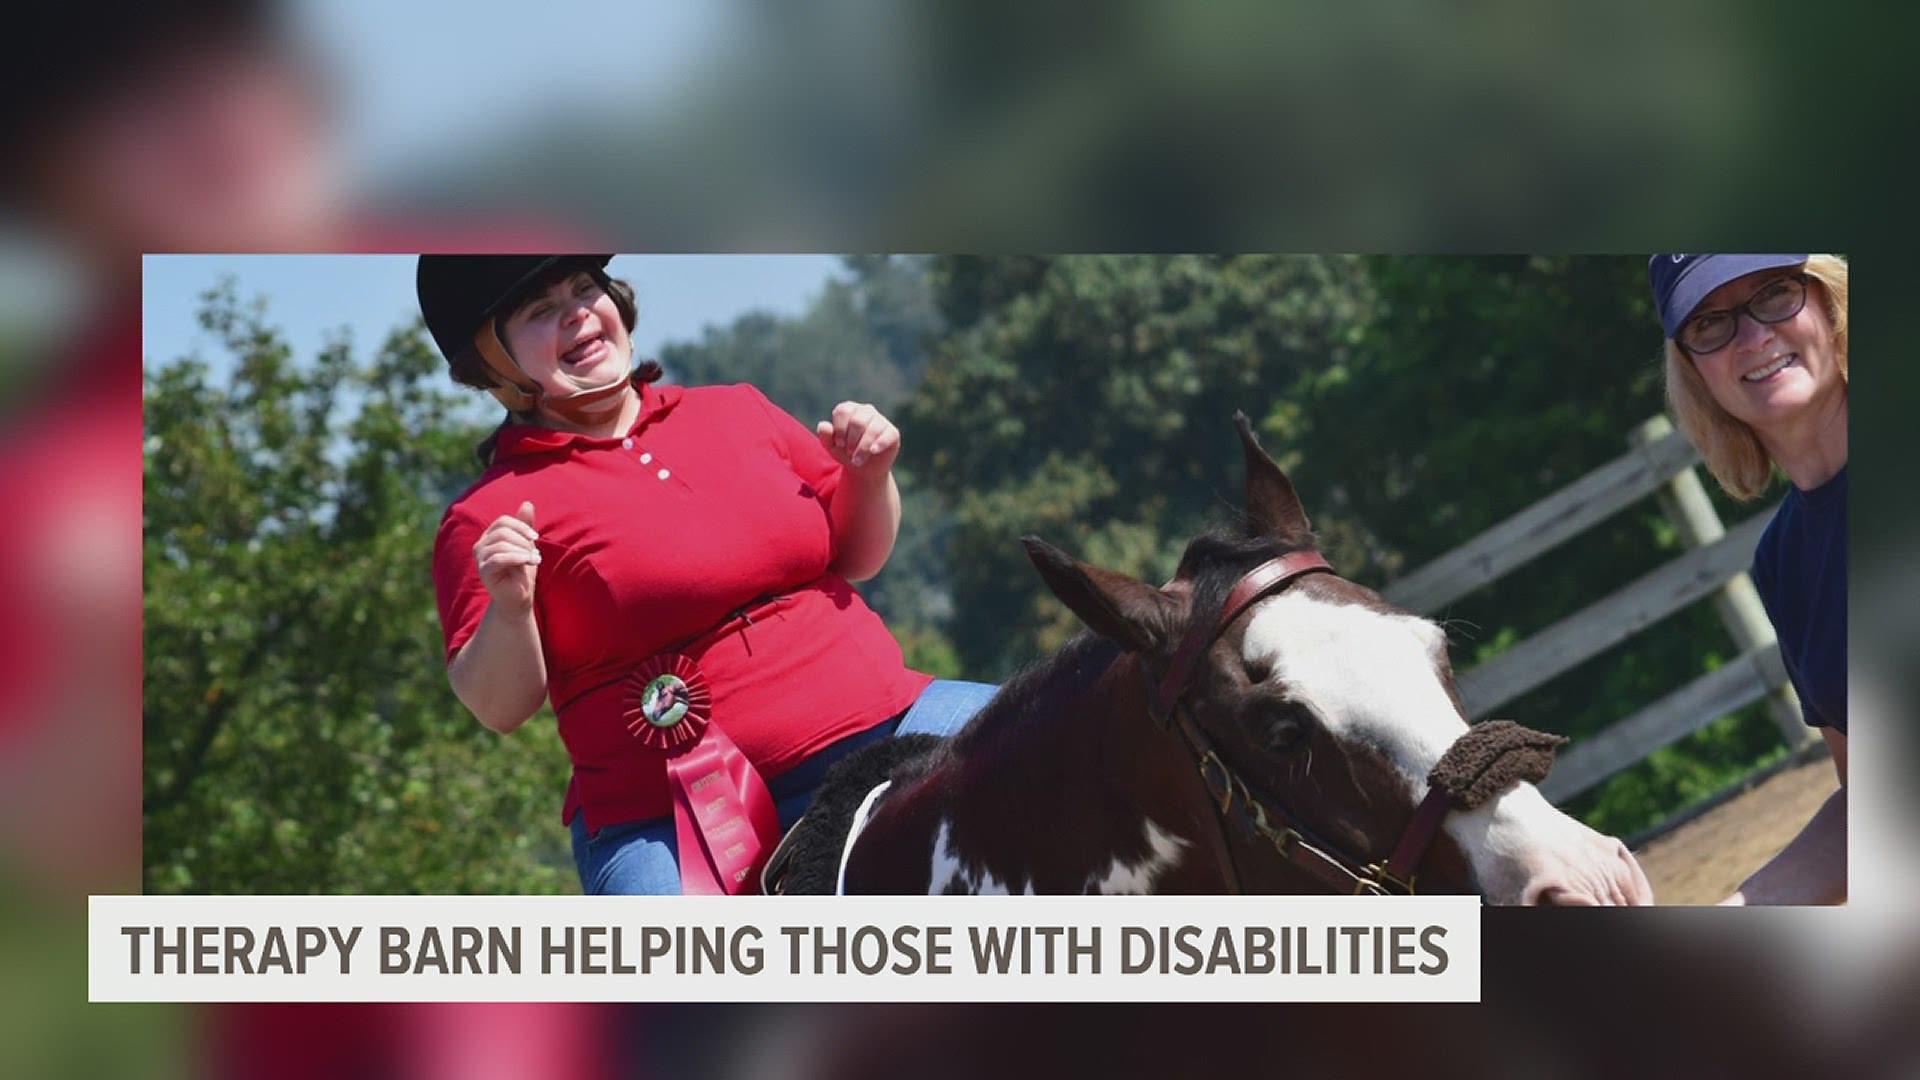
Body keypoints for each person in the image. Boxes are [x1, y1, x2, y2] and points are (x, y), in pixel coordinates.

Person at [420, 255, 996, 896]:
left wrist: (869, 473)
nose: (577, 312)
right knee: (684, 985)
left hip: (893, 723)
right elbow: (500, 707)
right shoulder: (485, 516)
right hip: (669, 822)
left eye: (585, 288)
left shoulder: (737, 410)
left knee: (1088, 746)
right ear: (489, 364)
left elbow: (858, 556)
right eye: (538, 310)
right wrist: (509, 606)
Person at [1649, 253, 1847, 905]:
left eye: (1775, 294)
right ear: (1694, 372)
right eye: (1711, 323)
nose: (1754, 335)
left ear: (1829, 302)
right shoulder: (1783, 560)